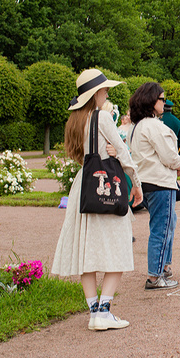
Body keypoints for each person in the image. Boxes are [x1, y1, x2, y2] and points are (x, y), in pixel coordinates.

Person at [51, 68, 144, 331]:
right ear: (95, 93)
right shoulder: (102, 117)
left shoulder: (74, 121)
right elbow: (123, 153)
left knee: (86, 251)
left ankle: (94, 313)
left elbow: (82, 155)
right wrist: (136, 184)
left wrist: (108, 151)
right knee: (118, 246)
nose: (107, 93)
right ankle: (104, 311)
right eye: (104, 90)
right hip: (105, 185)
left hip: (84, 186)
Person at [128, 82, 180, 290]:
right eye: (161, 99)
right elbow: (169, 155)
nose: (164, 102)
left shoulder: (136, 126)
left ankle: (164, 267)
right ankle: (155, 276)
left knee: (167, 224)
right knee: (161, 229)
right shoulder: (153, 126)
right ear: (151, 101)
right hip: (160, 183)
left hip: (147, 182)